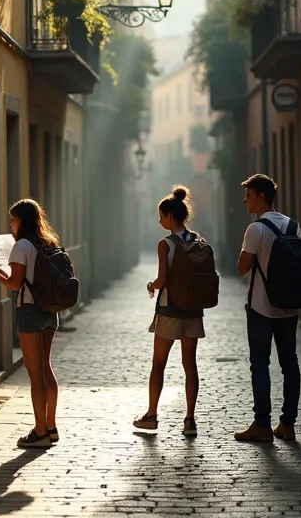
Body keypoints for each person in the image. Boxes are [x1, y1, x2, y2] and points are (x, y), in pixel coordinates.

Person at [0, 199, 62, 449]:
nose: (11, 224)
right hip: (50, 311)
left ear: (22, 221)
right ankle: (50, 427)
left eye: (13, 219)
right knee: (46, 368)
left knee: (35, 374)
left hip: (30, 311)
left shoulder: (22, 246)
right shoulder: (48, 243)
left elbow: (15, 284)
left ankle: (39, 433)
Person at [234, 174, 301, 443]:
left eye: (248, 195)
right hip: (289, 307)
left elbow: (241, 267)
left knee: (260, 364)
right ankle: (288, 424)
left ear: (261, 196)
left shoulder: (256, 229)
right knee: (290, 364)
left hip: (261, 307)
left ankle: (262, 424)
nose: (245, 200)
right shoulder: (293, 227)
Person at [133, 185, 204, 437]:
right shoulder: (197, 240)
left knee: (158, 363)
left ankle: (151, 415)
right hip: (194, 310)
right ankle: (190, 420)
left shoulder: (166, 244)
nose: (159, 220)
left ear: (170, 217)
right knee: (190, 365)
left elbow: (162, 279)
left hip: (170, 309)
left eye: (161, 216)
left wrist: (151, 286)